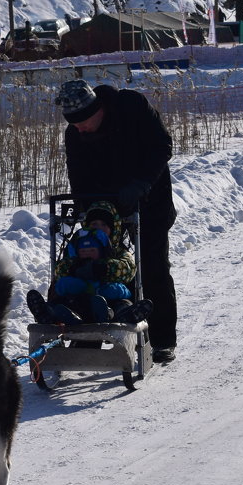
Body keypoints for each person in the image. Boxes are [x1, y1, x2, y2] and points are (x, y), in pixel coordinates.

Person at [54, 79, 178, 362]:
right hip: (105, 208)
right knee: (93, 266)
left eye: (84, 122)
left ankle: (161, 340)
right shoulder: (75, 134)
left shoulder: (131, 107)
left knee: (152, 266)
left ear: (99, 109)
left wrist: (142, 183)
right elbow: (79, 176)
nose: (80, 128)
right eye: (74, 125)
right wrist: (84, 210)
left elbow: (162, 145)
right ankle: (93, 332)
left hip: (148, 201)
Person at [26, 201, 153, 325]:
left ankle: (125, 315)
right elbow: (60, 270)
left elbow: (128, 268)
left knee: (122, 303)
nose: (99, 227)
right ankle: (49, 314)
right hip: (79, 299)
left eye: (104, 225)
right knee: (64, 301)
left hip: (109, 299)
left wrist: (105, 268)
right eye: (94, 224)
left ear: (113, 229)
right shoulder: (76, 248)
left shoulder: (118, 252)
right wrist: (74, 267)